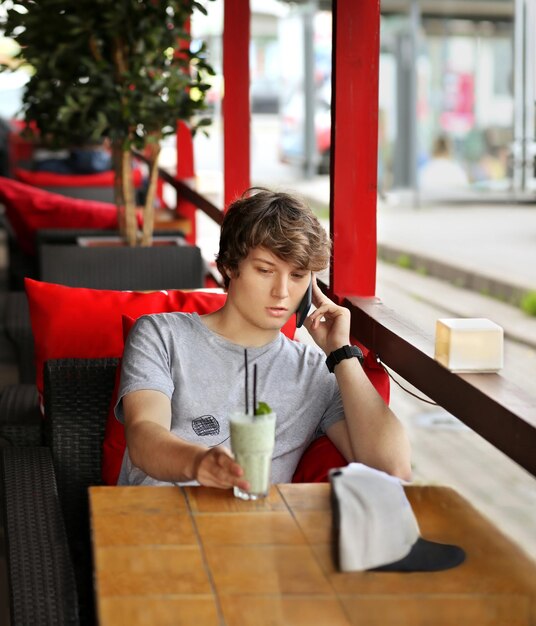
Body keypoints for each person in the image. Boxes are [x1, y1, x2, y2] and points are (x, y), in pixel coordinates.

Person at [116, 188, 411, 489]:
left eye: (297, 276)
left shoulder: (314, 372)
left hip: (255, 530)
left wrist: (341, 353)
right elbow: (143, 435)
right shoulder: (161, 335)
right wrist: (198, 463)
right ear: (230, 266)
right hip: (156, 523)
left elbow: (393, 468)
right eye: (265, 270)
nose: (282, 292)